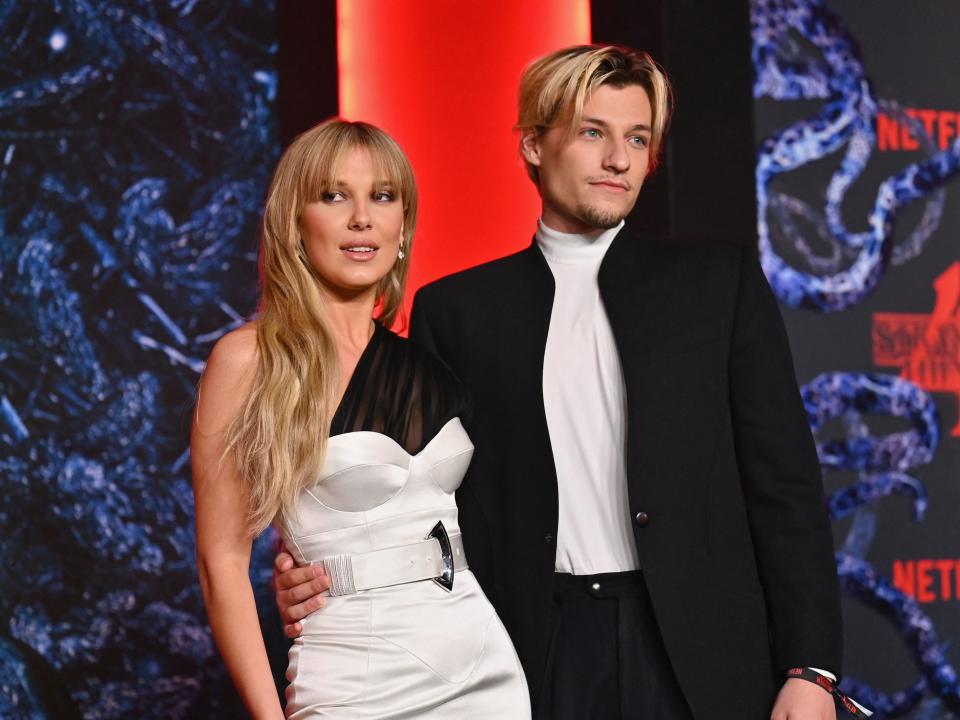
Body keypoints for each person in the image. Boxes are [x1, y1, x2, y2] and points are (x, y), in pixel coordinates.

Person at [274, 46, 844, 719]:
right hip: (524, 650)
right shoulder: (457, 311)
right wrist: (316, 570)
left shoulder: (718, 285)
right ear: (534, 146)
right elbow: (417, 496)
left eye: (637, 138)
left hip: (702, 646)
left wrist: (812, 668)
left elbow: (785, 486)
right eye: (593, 133)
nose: (620, 160)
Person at [192, 119, 530, 719]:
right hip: (353, 679)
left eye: (382, 196)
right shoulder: (249, 361)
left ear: (402, 224)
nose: (361, 218)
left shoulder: (431, 361)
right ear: (295, 221)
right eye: (333, 195)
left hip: (483, 668)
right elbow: (221, 561)